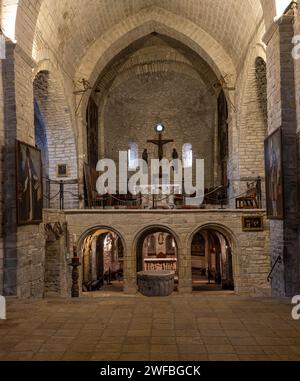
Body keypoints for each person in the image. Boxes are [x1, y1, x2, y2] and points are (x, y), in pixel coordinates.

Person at [20, 146, 42, 222]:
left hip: (31, 186)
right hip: (28, 185)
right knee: (27, 202)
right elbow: (25, 175)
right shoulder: (25, 162)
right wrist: (26, 182)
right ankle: (27, 215)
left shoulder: (30, 163)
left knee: (32, 202)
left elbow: (34, 174)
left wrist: (35, 181)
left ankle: (32, 216)